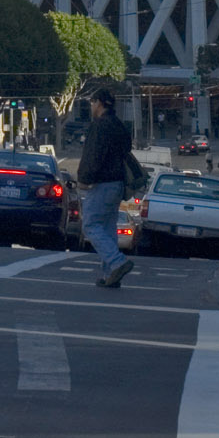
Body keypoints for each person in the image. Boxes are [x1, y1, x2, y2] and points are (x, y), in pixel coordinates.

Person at [75, 88, 136, 290]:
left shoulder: (99, 126)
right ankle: (111, 275)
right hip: (118, 183)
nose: (91, 106)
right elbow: (126, 150)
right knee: (108, 228)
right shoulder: (119, 126)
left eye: (93, 102)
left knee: (90, 226)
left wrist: (84, 178)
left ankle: (117, 262)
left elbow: (93, 155)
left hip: (101, 183)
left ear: (99, 103)